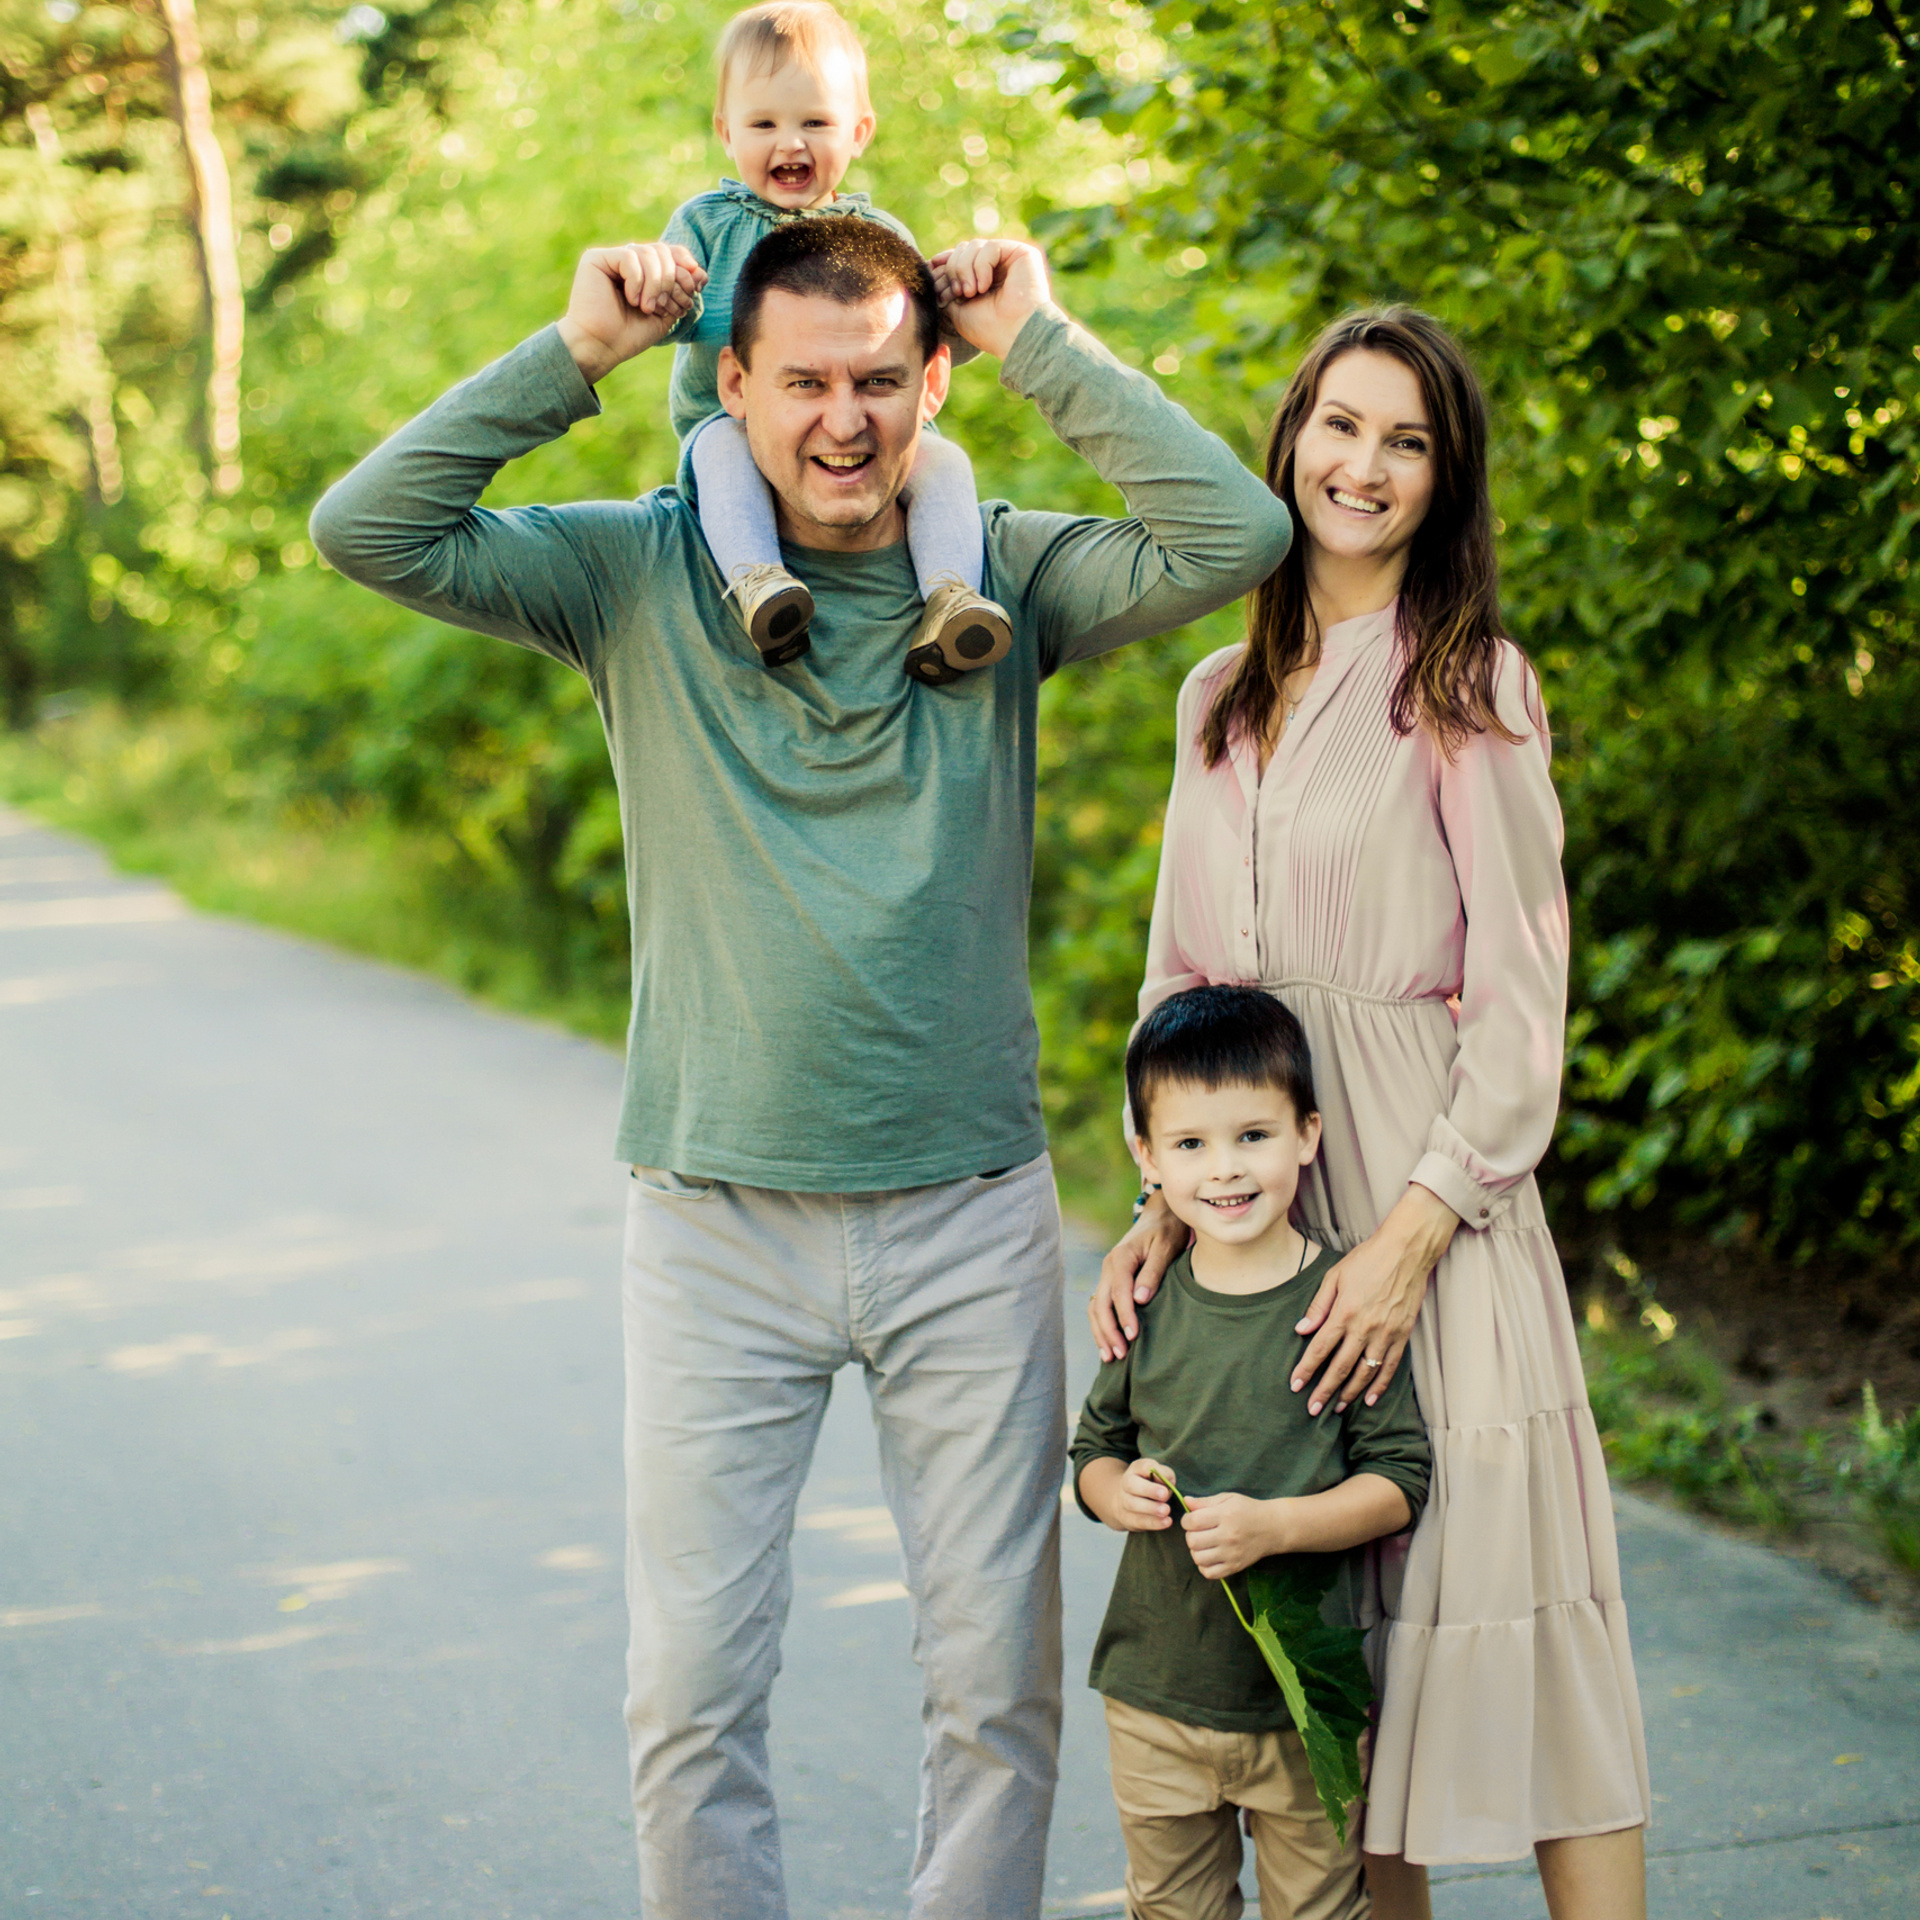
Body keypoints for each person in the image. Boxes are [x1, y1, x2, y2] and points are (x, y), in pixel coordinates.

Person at [309, 215, 1291, 1919]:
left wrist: (1041, 341)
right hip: (715, 1228)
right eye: (809, 384)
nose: (848, 421)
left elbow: (1237, 531)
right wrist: (578, 355)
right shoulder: (632, 577)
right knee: (688, 1694)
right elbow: (365, 527)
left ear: (932, 384)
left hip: (966, 1220)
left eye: (885, 382)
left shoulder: (1006, 583)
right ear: (739, 389)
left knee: (993, 1692)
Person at [1087, 307, 1652, 1920]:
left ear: (1443, 479)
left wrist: (1414, 1233)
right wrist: (1157, 1209)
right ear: (1290, 441)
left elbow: (1523, 1000)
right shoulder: (1218, 692)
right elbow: (1179, 980)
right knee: (1353, 1664)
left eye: (1408, 441)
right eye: (1343, 426)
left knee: (1518, 1615)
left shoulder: (1473, 685)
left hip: (1435, 1207)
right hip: (1264, 1214)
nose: (1366, 465)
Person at [1073, 984, 1431, 1920]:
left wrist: (1278, 1526)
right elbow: (1094, 1452)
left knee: (1319, 1908)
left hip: (1299, 1698)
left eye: (1253, 1137)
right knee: (1170, 1908)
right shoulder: (1146, 1301)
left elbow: (1399, 1481)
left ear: (1307, 1135)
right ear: (1146, 1157)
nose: (1225, 1170)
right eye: (1190, 1145)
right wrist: (1120, 1494)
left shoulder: (1341, 1304)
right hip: (1154, 1690)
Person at [661, 0, 1008, 681]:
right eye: (765, 124)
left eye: (815, 122)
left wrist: (974, 304)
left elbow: (925, 347)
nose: (790, 144)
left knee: (945, 465)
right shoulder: (704, 223)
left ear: (859, 131)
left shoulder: (881, 237)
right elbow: (666, 318)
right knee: (723, 453)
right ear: (726, 130)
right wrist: (655, 286)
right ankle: (759, 583)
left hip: (868, 440)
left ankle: (949, 597)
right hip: (727, 420)